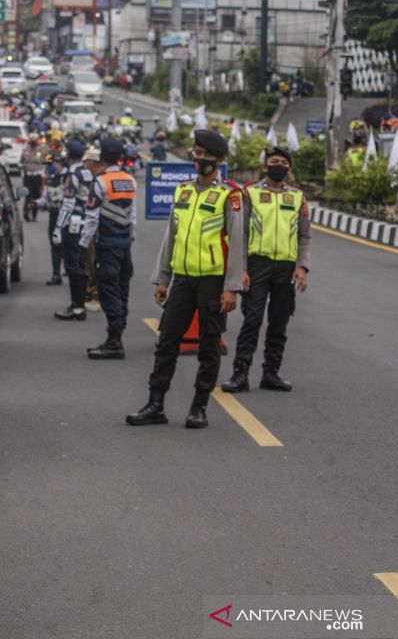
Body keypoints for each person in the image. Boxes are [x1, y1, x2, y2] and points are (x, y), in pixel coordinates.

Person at [127, 129, 246, 430]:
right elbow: (172, 236)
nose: (200, 159)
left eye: (206, 155)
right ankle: (155, 405)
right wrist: (162, 278)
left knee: (208, 346)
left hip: (213, 282)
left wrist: (231, 288)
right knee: (166, 341)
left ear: (219, 160)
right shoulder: (183, 191)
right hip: (182, 280)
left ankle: (199, 407)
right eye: (197, 153)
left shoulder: (229, 195)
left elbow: (237, 243)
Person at [221, 147, 311, 393]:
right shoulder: (249, 193)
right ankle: (240, 374)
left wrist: (302, 266)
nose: (278, 165)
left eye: (283, 162)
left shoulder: (297, 197)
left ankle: (271, 373)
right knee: (252, 320)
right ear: (264, 167)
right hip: (256, 266)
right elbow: (240, 234)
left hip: (285, 269)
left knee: (279, 323)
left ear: (289, 169)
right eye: (274, 161)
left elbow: (304, 236)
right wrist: (241, 269)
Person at [81, 138, 137, 360]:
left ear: (103, 159)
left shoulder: (100, 182)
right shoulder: (130, 180)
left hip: (107, 247)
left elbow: (92, 218)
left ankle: (114, 342)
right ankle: (117, 334)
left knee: (108, 291)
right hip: (125, 246)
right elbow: (132, 217)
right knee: (122, 292)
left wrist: (82, 245)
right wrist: (129, 239)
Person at [53, 140, 95, 321]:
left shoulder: (72, 173)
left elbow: (68, 204)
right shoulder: (87, 171)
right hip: (89, 221)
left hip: (75, 224)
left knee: (72, 265)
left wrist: (58, 228)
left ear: (68, 155)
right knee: (82, 263)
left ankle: (77, 307)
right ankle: (79, 304)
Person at [42, 150, 66, 286]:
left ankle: (71, 270)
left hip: (67, 216)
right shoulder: (51, 180)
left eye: (58, 163)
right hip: (54, 215)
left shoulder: (69, 178)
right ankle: (56, 274)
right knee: (55, 245)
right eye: (54, 163)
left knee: (68, 245)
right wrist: (34, 203)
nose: (55, 166)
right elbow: (44, 199)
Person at [20, 138, 44, 222]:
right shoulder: (25, 152)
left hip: (37, 176)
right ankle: (26, 213)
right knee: (28, 194)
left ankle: (34, 214)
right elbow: (21, 162)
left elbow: (44, 161)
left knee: (36, 195)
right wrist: (22, 166)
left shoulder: (39, 152)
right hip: (28, 176)